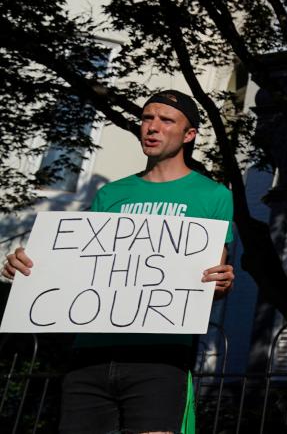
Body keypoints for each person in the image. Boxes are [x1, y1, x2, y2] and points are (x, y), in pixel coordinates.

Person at [3, 89, 236, 434]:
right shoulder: (110, 194)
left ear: (189, 135)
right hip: (90, 356)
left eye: (166, 120)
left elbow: (212, 284)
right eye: (146, 118)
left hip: (160, 359)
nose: (152, 127)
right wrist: (26, 268)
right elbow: (78, 266)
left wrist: (220, 283)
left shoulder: (214, 196)